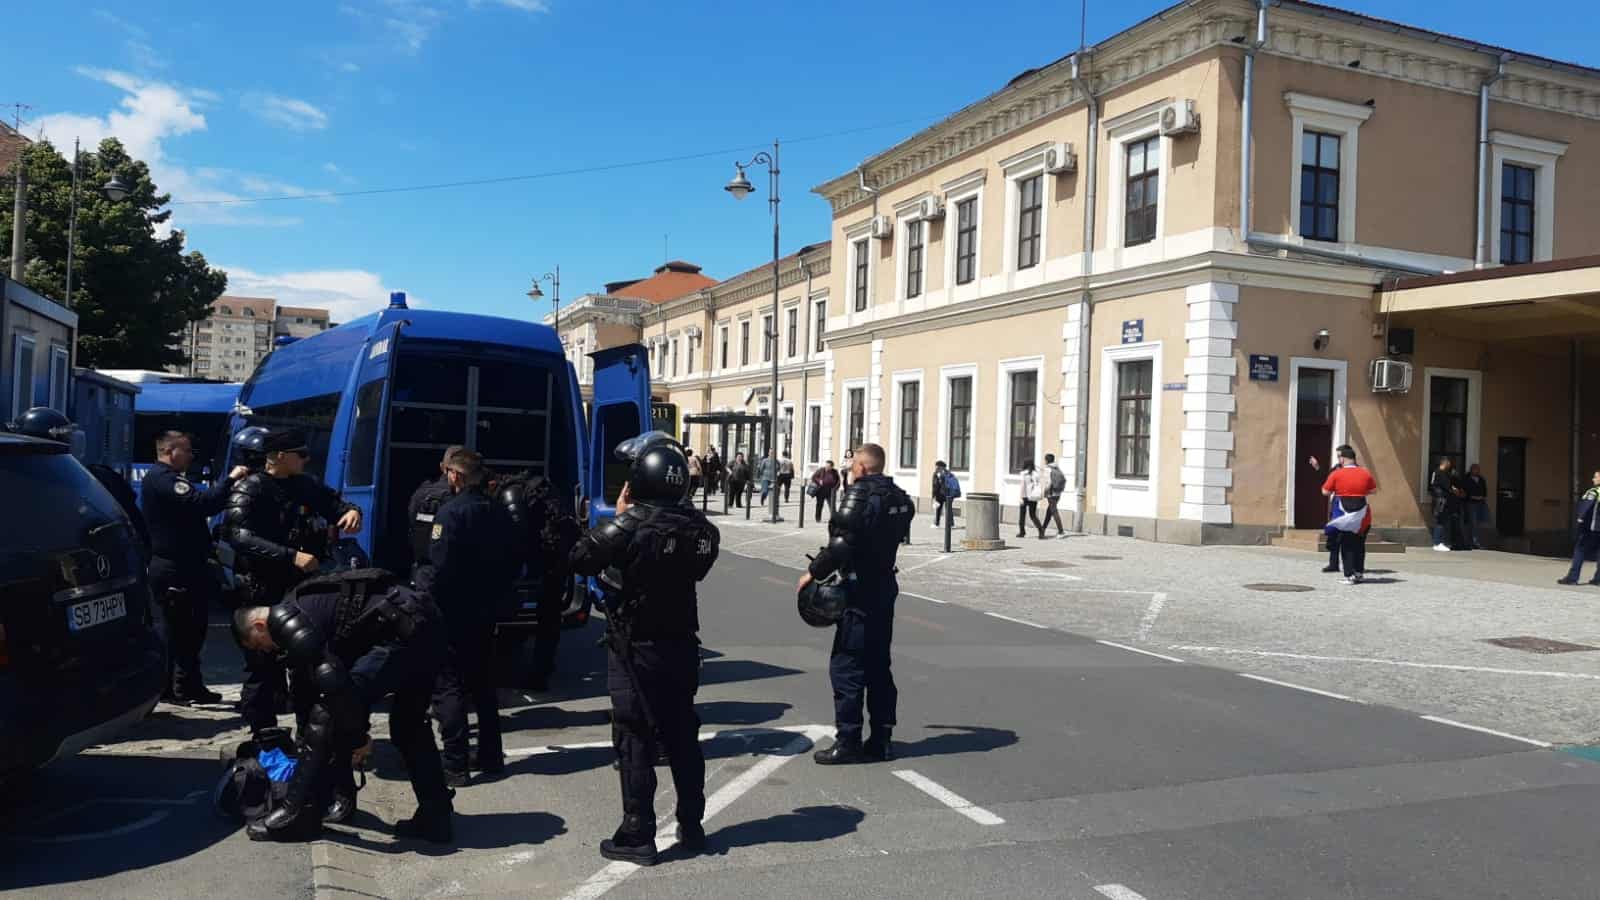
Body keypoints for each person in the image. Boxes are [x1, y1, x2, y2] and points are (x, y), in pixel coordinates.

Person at [569, 432, 720, 866]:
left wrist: (619, 517)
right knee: (682, 736)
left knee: (634, 738)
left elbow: (581, 558)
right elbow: (697, 566)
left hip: (635, 645)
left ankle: (637, 834)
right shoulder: (702, 530)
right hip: (682, 645)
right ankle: (692, 824)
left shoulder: (628, 525)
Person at [231, 571, 454, 843]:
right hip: (423, 623)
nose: (265, 651)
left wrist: (359, 737)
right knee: (409, 726)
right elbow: (310, 687)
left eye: (258, 644)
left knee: (325, 715)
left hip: (403, 631)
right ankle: (436, 817)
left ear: (258, 625)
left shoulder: (288, 621)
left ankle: (295, 817)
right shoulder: (299, 604)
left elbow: (335, 688)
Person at [222, 429, 362, 736]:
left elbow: (335, 504)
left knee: (308, 662)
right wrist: (290, 556)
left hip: (301, 588)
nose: (306, 460)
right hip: (262, 587)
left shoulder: (304, 485)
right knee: (263, 667)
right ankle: (264, 738)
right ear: (280, 457)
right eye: (301, 454)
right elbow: (237, 536)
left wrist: (352, 511)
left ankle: (308, 734)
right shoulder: (250, 488)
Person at [800, 443, 914, 765]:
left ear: (863, 467)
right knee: (879, 664)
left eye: (853, 467)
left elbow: (841, 544)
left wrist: (812, 572)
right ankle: (882, 739)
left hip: (859, 591)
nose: (851, 471)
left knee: (847, 666)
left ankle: (848, 741)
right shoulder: (901, 498)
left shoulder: (860, 495)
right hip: (884, 586)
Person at [416, 449, 516, 785]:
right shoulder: (499, 510)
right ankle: (491, 756)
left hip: (452, 610)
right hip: (486, 609)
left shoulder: (450, 513)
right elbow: (512, 561)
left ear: (456, 476)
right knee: (484, 683)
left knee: (449, 686)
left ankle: (455, 763)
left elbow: (440, 566)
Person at [141, 430, 251, 705]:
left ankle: (186, 685)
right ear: (170, 451)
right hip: (175, 568)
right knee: (181, 629)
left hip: (186, 565)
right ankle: (177, 688)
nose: (191, 456)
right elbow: (203, 503)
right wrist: (232, 479)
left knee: (191, 628)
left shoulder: (170, 479)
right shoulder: (162, 479)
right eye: (187, 451)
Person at [497, 467, 581, 692]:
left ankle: (530, 675)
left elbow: (518, 534)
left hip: (546, 560)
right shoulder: (542, 488)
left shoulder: (512, 493)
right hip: (558, 558)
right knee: (549, 622)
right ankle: (541, 672)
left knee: (537, 619)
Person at [1321, 445, 1378, 585]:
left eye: (1339, 457)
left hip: (1344, 515)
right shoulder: (1365, 473)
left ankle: (1349, 575)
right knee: (1360, 545)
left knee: (1346, 545)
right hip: (1363, 516)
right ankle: (1359, 573)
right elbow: (1373, 490)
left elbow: (1325, 492)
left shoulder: (1337, 474)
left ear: (1343, 459)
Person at [407, 446, 465, 582]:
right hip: (451, 574)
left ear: (441, 466)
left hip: (421, 572)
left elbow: (412, 523)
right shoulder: (461, 498)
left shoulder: (421, 492)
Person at [1309, 449, 1351, 574]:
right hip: (1336, 505)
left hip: (1348, 506)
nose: (1339, 459)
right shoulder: (1337, 468)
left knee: (1347, 538)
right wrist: (1317, 467)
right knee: (1334, 535)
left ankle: (1350, 566)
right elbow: (1327, 480)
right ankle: (1333, 564)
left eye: (1340, 456)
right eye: (1337, 456)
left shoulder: (1354, 470)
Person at [1558, 470, 1600, 585]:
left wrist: (1580, 519)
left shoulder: (1594, 491)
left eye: (1595, 477)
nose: (1593, 479)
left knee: (1579, 550)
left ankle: (1572, 578)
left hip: (1591, 528)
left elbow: (1586, 506)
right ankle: (1598, 579)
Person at [1429, 458, 1459, 552]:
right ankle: (1437, 543)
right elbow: (1447, 486)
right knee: (1441, 521)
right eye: (1449, 463)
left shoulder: (1435, 472)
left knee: (1440, 521)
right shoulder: (1441, 473)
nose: (1450, 465)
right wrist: (1454, 490)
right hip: (1441, 500)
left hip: (1437, 499)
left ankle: (1438, 542)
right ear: (1445, 463)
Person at [1017, 460, 1045, 540]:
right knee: (1033, 515)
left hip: (1025, 496)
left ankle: (1022, 532)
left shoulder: (1024, 474)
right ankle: (1041, 531)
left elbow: (1022, 486)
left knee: (1022, 515)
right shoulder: (1036, 474)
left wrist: (1020, 497)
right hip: (1033, 496)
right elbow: (1039, 484)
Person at [1464, 463, 1489, 549]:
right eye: (1475, 469)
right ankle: (1474, 542)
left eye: (1478, 469)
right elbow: (1464, 491)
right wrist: (1471, 496)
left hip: (1481, 503)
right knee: (1473, 522)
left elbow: (1485, 490)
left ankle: (1474, 541)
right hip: (1471, 503)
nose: (1477, 471)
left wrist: (1482, 496)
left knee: (1479, 522)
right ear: (1471, 470)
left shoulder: (1481, 479)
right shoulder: (1466, 479)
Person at [1041, 453, 1067, 537]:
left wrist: (1044, 492)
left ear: (1046, 460)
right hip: (1058, 493)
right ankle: (1043, 529)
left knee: (1054, 511)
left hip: (1051, 493)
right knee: (1049, 511)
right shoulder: (1057, 468)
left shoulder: (1048, 469)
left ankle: (1061, 531)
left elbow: (1048, 483)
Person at [930, 461, 950, 529]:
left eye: (937, 466)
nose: (936, 467)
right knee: (940, 509)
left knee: (944, 509)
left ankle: (944, 524)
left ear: (941, 467)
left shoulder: (945, 474)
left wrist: (940, 478)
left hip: (944, 494)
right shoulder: (937, 473)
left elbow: (936, 485)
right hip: (942, 494)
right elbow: (934, 485)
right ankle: (938, 523)